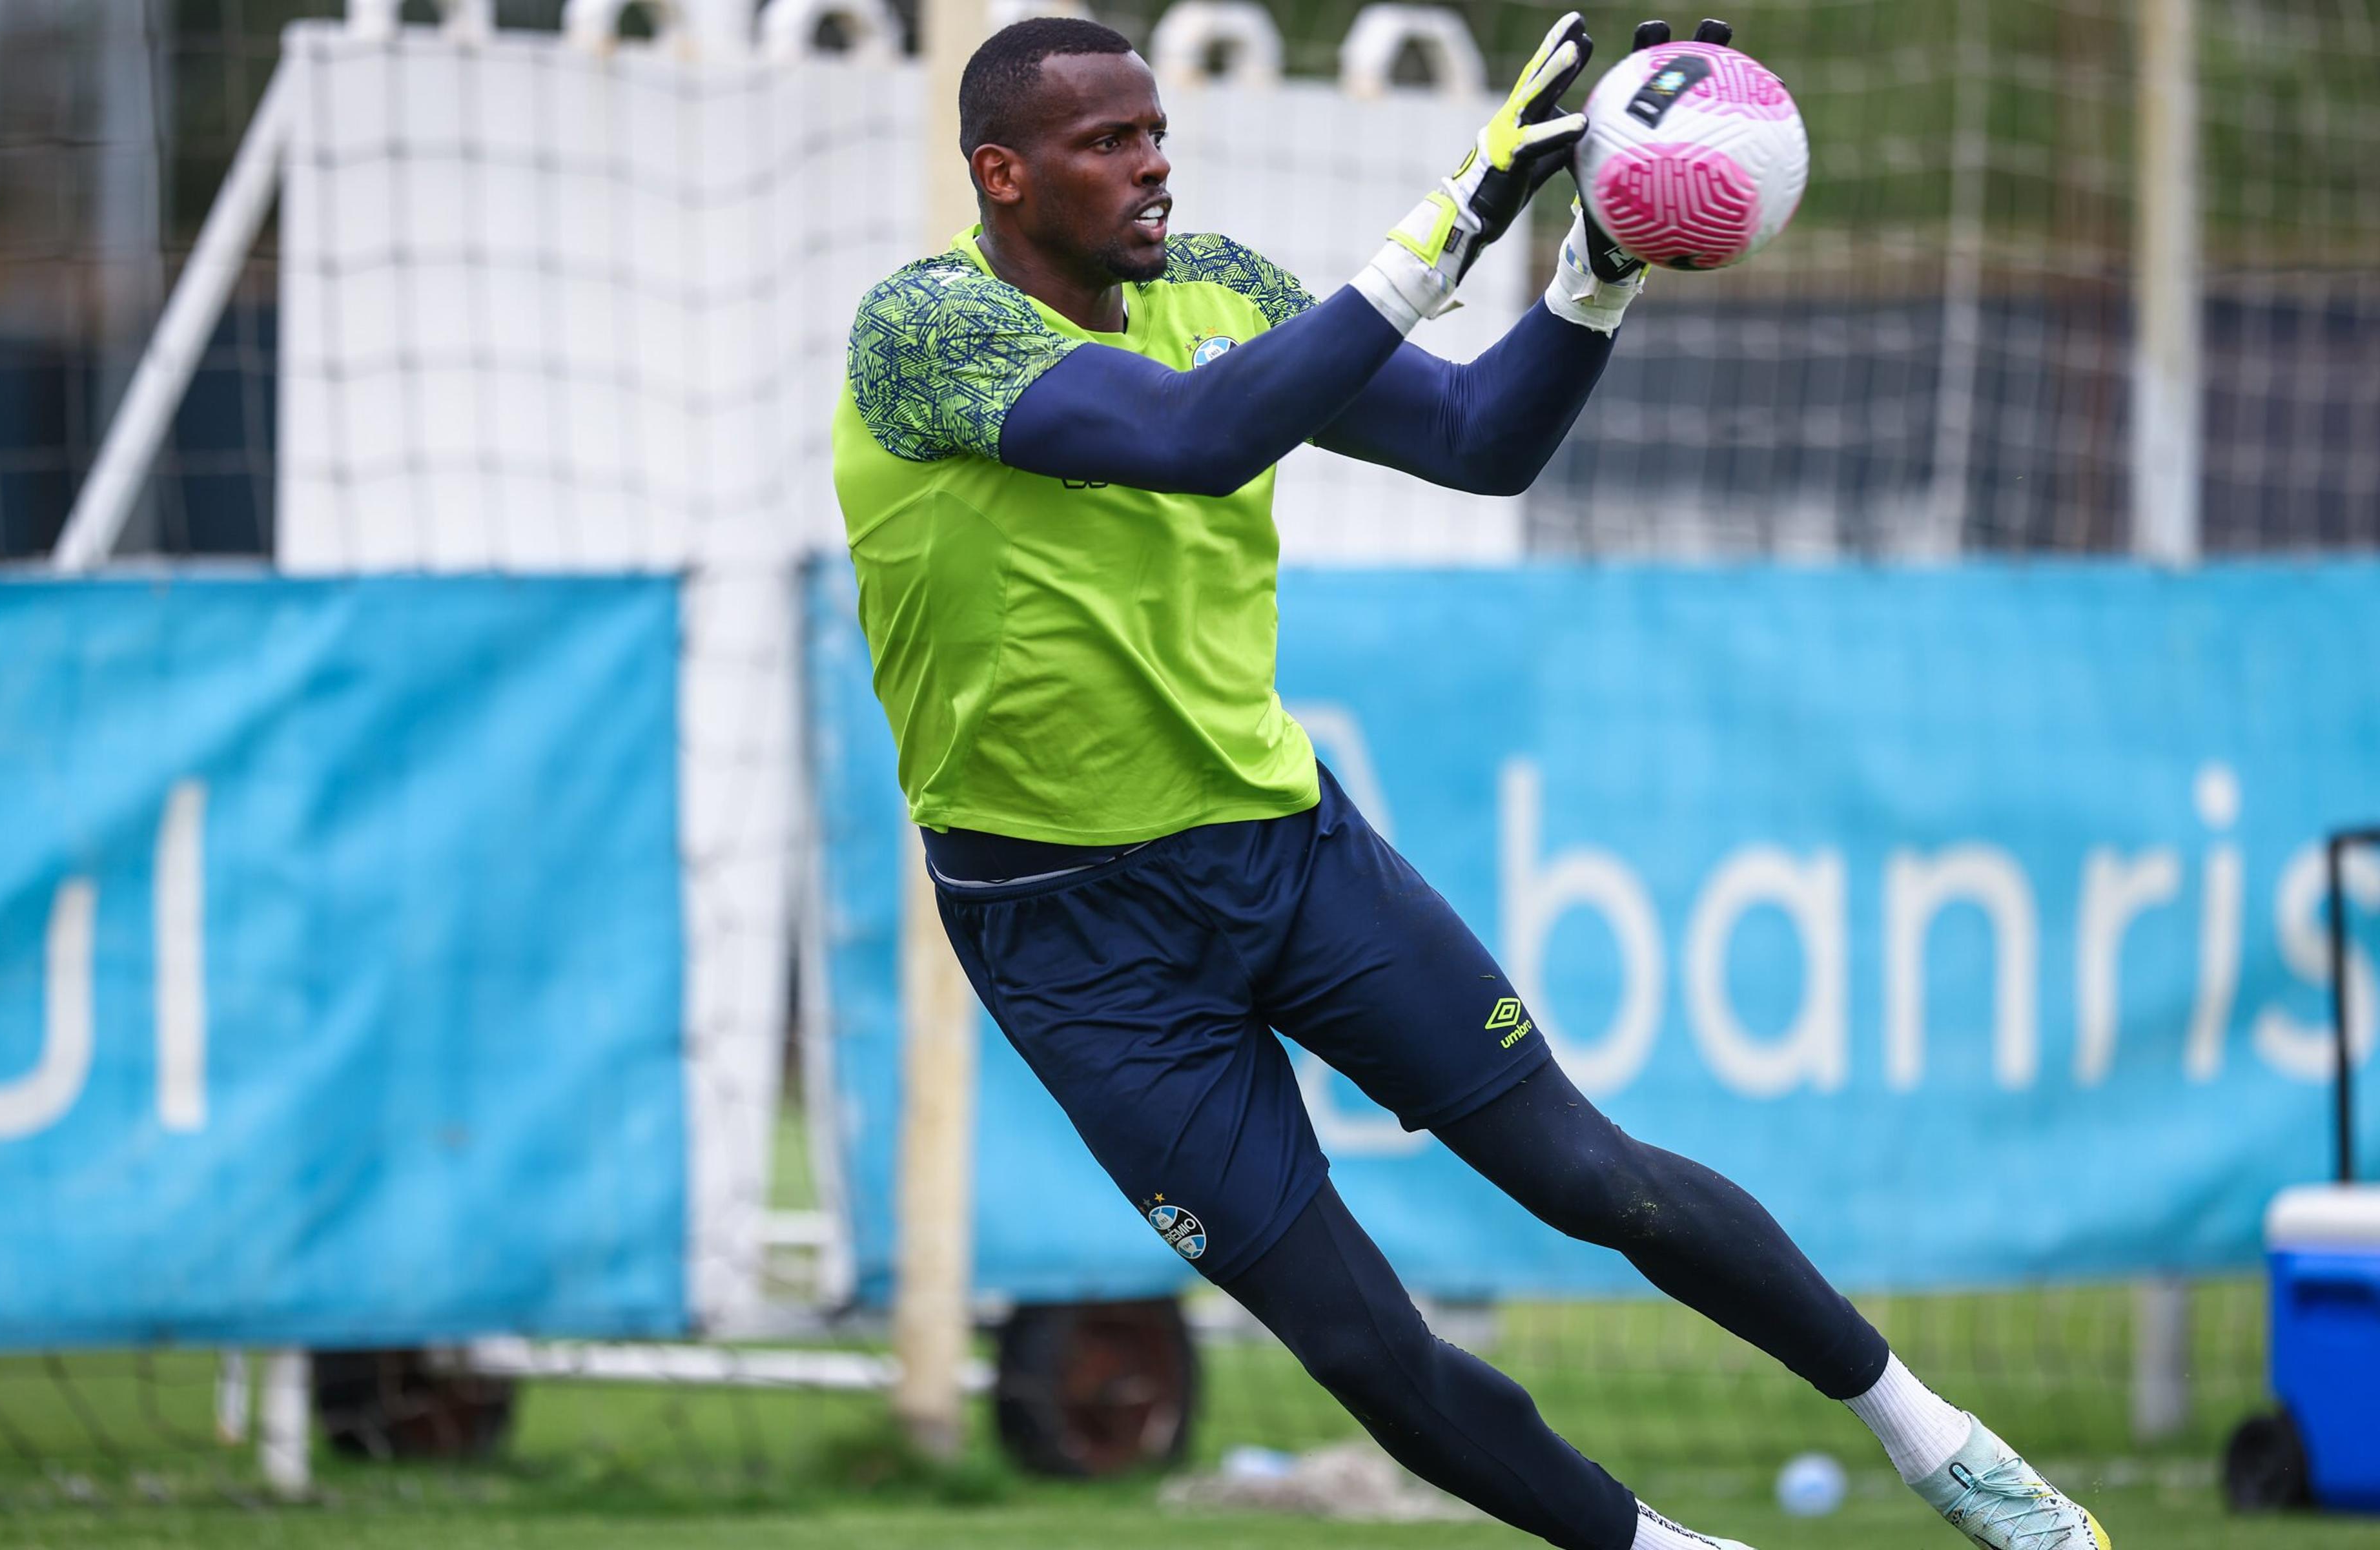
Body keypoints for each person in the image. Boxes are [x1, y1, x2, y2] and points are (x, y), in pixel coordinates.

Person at [830, 14, 2110, 1549]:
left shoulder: (1220, 289)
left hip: (1286, 855)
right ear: (1002, 175)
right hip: (1067, 936)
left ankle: (1947, 1447)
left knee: (1593, 1176)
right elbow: (1193, 439)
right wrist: (1457, 212)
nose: (1153, 165)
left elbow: (1477, 438)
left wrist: (1598, 264)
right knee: (1364, 1344)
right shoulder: (923, 333)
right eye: (1107, 144)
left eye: (1156, 132)